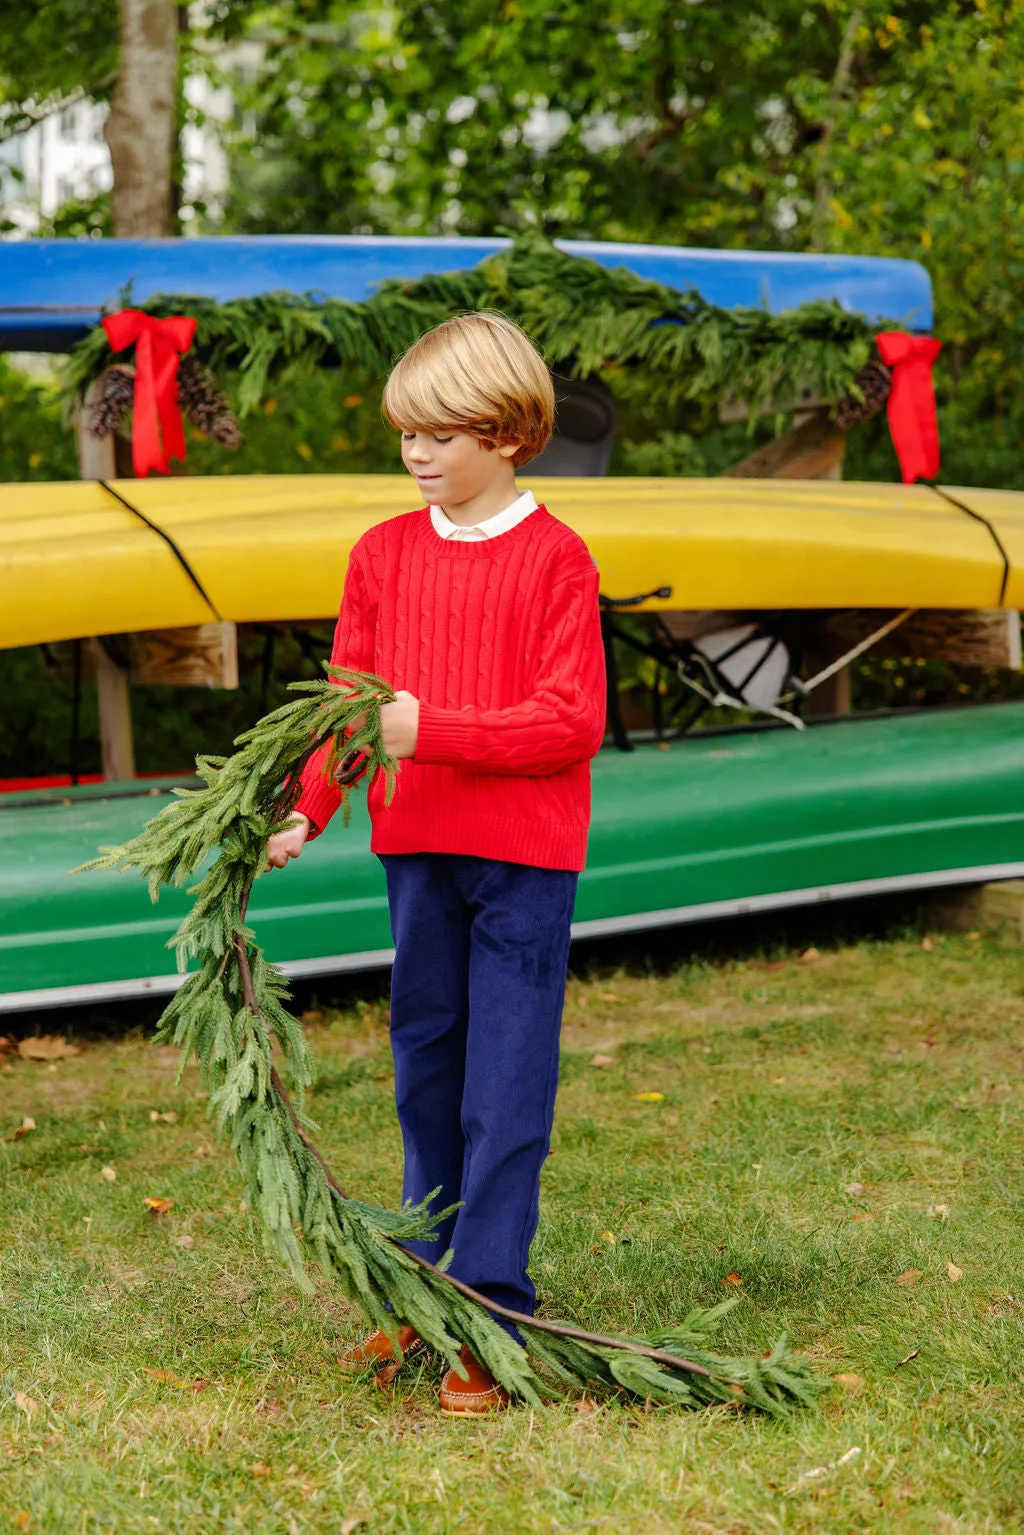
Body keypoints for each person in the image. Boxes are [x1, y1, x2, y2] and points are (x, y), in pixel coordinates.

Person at [266, 312, 606, 1414]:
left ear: (507, 434)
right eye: (406, 433)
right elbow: (348, 706)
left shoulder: (556, 556)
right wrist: (303, 811)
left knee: (504, 1083)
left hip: (523, 856)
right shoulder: (382, 552)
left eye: (441, 435)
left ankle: (492, 1306)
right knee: (425, 1069)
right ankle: (423, 1289)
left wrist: (434, 730)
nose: (416, 454)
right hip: (416, 848)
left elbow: (570, 720)